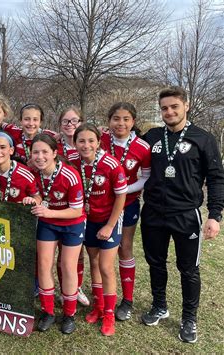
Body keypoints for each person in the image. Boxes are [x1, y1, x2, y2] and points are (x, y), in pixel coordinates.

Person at [140, 86, 224, 343]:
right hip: (153, 212)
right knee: (155, 263)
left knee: (188, 269)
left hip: (185, 214)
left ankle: (189, 318)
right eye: (164, 108)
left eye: (174, 106)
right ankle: (160, 305)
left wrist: (215, 215)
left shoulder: (203, 138)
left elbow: (217, 178)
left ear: (185, 106)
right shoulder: (152, 136)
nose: (169, 112)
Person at [71, 123, 127, 336]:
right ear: (75, 143)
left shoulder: (111, 164)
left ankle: (110, 314)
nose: (86, 145)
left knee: (105, 266)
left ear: (98, 142)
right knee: (93, 262)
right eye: (81, 141)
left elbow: (121, 196)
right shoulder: (74, 163)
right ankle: (99, 306)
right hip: (88, 220)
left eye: (91, 141)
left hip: (109, 220)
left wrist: (110, 225)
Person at [28, 134, 85, 334]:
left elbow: (77, 210)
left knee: (68, 266)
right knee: (44, 265)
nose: (40, 156)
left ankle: (69, 314)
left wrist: (49, 212)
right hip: (48, 223)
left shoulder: (70, 174)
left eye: (45, 152)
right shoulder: (33, 173)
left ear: (54, 153)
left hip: (71, 224)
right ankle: (48, 312)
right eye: (36, 152)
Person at [100, 102, 151, 321]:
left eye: (126, 119)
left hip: (128, 203)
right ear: (109, 120)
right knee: (98, 250)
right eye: (116, 118)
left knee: (125, 248)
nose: (120, 123)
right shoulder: (99, 139)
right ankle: (101, 297)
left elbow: (145, 177)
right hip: (101, 203)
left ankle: (127, 300)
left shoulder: (142, 147)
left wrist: (122, 190)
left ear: (133, 122)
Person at [56, 107, 89, 307]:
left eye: (75, 121)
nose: (70, 125)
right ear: (60, 125)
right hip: (59, 206)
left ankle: (76, 287)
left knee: (78, 251)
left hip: (84, 206)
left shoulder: (86, 144)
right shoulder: (53, 145)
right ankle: (64, 289)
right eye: (66, 121)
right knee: (62, 251)